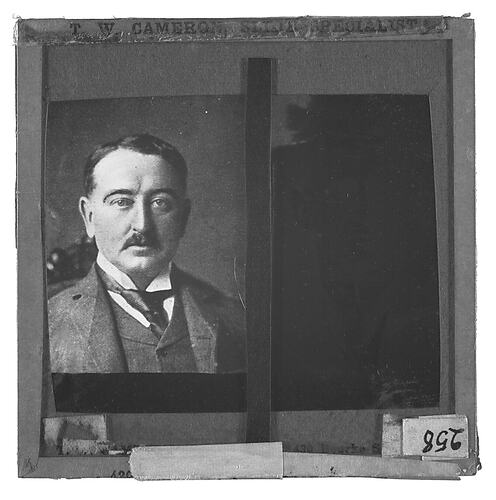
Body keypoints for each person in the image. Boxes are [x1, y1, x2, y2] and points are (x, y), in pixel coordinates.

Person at [48, 134, 246, 374]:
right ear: (89, 217)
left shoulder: (236, 318)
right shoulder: (46, 323)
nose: (142, 226)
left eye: (160, 203)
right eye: (121, 202)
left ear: (183, 218)